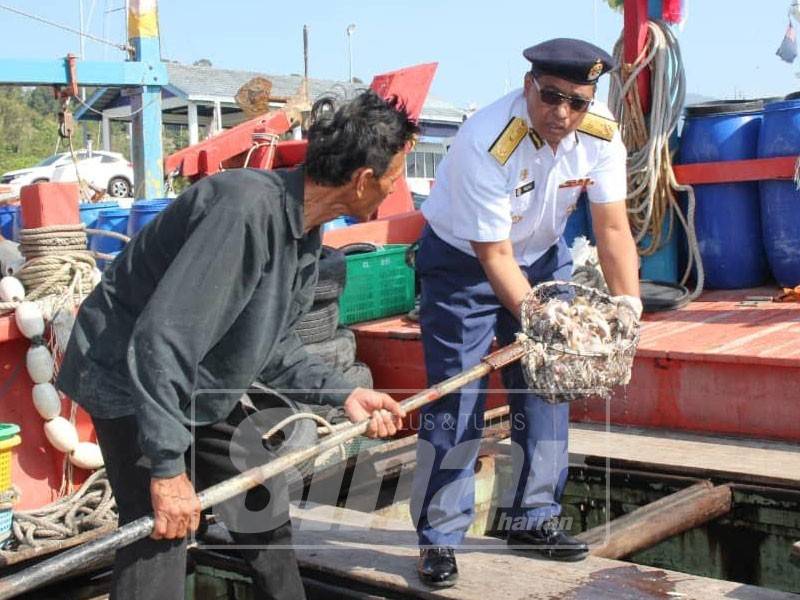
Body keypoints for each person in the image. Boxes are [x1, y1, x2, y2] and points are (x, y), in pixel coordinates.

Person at [56, 90, 418, 600]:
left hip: (195, 378)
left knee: (259, 507)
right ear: (362, 181)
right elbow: (161, 342)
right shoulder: (244, 211)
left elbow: (273, 348)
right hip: (131, 377)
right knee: (160, 531)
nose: (395, 187)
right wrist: (166, 469)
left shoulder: (304, 235)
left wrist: (343, 394)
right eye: (394, 176)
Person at [410, 38, 641, 587]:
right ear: (528, 86)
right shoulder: (487, 140)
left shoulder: (601, 133)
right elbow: (494, 256)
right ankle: (439, 539)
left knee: (547, 385)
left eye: (577, 102)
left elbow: (611, 229)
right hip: (462, 263)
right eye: (551, 97)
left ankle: (533, 518)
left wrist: (628, 305)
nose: (562, 114)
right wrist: (544, 319)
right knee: (458, 397)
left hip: (541, 257)